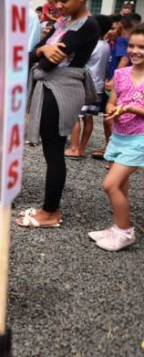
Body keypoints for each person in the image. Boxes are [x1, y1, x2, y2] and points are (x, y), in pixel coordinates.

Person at [17, 0, 99, 228]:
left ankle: (50, 212)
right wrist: (43, 50)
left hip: (61, 88)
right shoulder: (64, 23)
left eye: (64, 1)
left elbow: (47, 61)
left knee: (54, 152)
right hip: (51, 86)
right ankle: (49, 207)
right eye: (56, 0)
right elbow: (38, 52)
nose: (58, 6)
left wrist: (42, 52)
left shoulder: (88, 25)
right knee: (51, 150)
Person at [88, 23, 144, 251]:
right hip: (118, 136)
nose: (135, 51)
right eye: (132, 45)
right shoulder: (120, 74)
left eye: (141, 47)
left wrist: (132, 109)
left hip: (139, 139)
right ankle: (117, 226)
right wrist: (112, 110)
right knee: (121, 186)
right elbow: (112, 101)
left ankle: (125, 231)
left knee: (109, 185)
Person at [65, 15, 113, 159]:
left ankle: (74, 148)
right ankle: (82, 148)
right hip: (98, 87)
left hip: (85, 85)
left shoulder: (92, 44)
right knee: (88, 118)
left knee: (75, 116)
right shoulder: (106, 46)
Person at [93, 13, 137, 160]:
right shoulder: (117, 42)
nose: (111, 30)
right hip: (122, 83)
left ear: (121, 25)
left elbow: (124, 59)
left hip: (116, 84)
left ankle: (112, 148)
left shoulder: (121, 41)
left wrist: (113, 79)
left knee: (111, 117)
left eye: (114, 27)